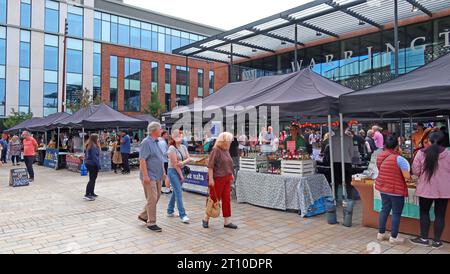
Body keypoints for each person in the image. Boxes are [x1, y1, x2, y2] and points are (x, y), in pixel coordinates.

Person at [410, 132, 450, 249]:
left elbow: (416, 171)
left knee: (424, 213)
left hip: (425, 189)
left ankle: (423, 238)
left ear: (429, 141)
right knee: (440, 215)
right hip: (444, 189)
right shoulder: (448, 154)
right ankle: (437, 241)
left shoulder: (421, 153)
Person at [375, 136, 411, 245]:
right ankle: (393, 237)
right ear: (397, 146)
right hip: (396, 190)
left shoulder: (380, 156)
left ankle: (381, 234)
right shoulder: (400, 159)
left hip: (383, 187)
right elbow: (407, 177)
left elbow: (382, 170)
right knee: (396, 213)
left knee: (384, 209)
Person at [202, 132, 238, 230]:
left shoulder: (226, 150)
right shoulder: (216, 150)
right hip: (217, 178)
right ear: (224, 141)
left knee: (227, 199)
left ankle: (227, 221)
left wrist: (231, 175)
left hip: (227, 178)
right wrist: (211, 179)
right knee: (214, 199)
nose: (231, 142)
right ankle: (206, 218)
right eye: (229, 140)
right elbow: (210, 166)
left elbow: (229, 164)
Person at [138, 122, 167, 233]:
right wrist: (145, 176)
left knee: (157, 197)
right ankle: (151, 222)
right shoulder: (146, 142)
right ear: (155, 130)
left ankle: (144, 215)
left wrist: (163, 172)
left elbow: (160, 159)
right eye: (160, 129)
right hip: (149, 176)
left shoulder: (157, 142)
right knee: (152, 198)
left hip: (158, 175)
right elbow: (142, 160)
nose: (161, 131)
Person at [167, 129, 191, 223]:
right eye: (177, 136)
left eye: (180, 136)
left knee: (176, 192)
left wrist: (183, 162)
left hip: (181, 170)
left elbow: (188, 158)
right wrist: (181, 175)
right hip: (173, 171)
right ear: (173, 137)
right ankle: (183, 214)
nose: (179, 137)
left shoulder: (184, 147)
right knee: (179, 192)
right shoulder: (171, 148)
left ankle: (170, 210)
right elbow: (175, 164)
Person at [331, 129, 355, 199]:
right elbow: (352, 152)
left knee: (335, 182)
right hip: (346, 161)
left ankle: (335, 197)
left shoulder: (332, 138)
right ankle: (349, 197)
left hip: (335, 161)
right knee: (348, 182)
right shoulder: (349, 138)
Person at [84, 134, 101, 201]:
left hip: (89, 163)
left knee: (92, 179)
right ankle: (87, 194)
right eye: (97, 138)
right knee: (92, 179)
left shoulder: (90, 144)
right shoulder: (93, 146)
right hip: (92, 164)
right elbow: (95, 157)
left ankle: (92, 192)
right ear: (95, 138)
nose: (98, 139)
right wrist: (98, 165)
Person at [158, 130, 172, 194]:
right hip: (164, 160)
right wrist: (171, 153)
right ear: (163, 135)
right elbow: (164, 152)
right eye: (166, 134)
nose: (167, 135)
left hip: (160, 160)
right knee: (166, 175)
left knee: (161, 175)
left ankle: (159, 189)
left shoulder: (158, 141)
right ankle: (167, 189)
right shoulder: (163, 142)